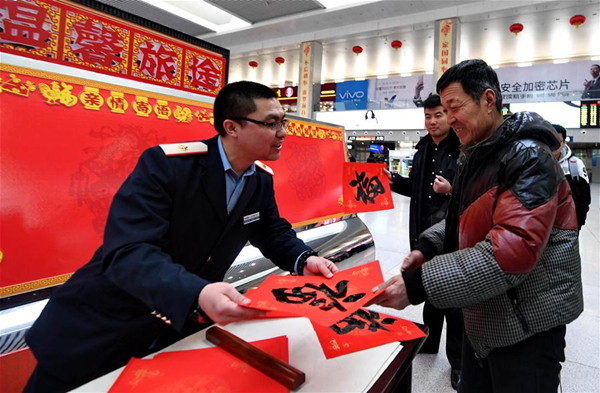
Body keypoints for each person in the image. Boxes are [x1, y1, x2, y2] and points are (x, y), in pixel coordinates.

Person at [24, 81, 337, 393]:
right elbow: (131, 250)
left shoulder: (258, 181)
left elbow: (272, 231)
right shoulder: (168, 166)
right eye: (271, 123)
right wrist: (196, 293)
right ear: (232, 127)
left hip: (173, 332)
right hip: (100, 327)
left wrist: (303, 259)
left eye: (284, 121)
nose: (283, 132)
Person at [371, 59, 583, 393]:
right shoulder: (475, 155)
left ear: (488, 100)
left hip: (526, 323)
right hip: (485, 313)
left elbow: (512, 251)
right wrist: (428, 246)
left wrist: (419, 286)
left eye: (454, 107)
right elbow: (462, 218)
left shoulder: (528, 157)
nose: (448, 118)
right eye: (443, 109)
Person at [386, 94, 462, 389]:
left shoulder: (462, 150)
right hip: (423, 233)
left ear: (450, 115)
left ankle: (458, 364)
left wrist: (452, 189)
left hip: (452, 234)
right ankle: (428, 341)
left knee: (454, 298)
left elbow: (475, 194)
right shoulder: (422, 150)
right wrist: (394, 181)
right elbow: (414, 187)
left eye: (438, 115)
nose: (432, 122)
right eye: (428, 116)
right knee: (428, 287)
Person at [552, 124, 591, 230]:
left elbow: (584, 196)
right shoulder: (537, 163)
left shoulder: (575, 164)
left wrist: (578, 223)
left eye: (558, 140)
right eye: (550, 139)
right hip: (542, 224)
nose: (554, 144)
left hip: (569, 224)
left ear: (564, 142)